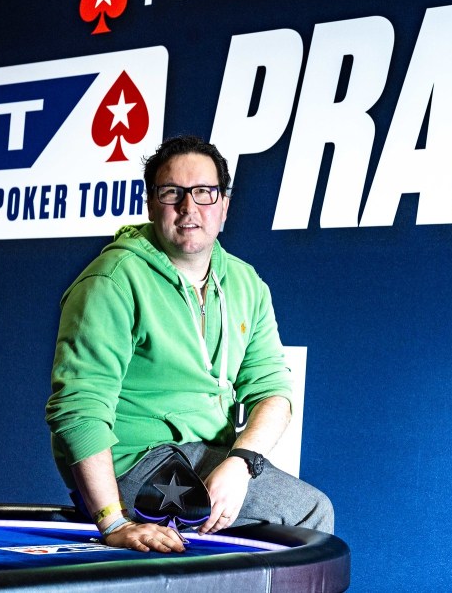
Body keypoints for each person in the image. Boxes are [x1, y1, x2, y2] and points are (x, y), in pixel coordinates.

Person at [45, 135, 333, 553]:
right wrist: (112, 521)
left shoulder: (246, 283)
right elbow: (79, 407)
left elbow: (273, 392)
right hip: (133, 459)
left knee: (290, 514)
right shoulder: (111, 280)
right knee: (307, 513)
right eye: (172, 192)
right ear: (150, 203)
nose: (188, 207)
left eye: (204, 192)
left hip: (205, 453)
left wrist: (241, 463)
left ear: (224, 205)